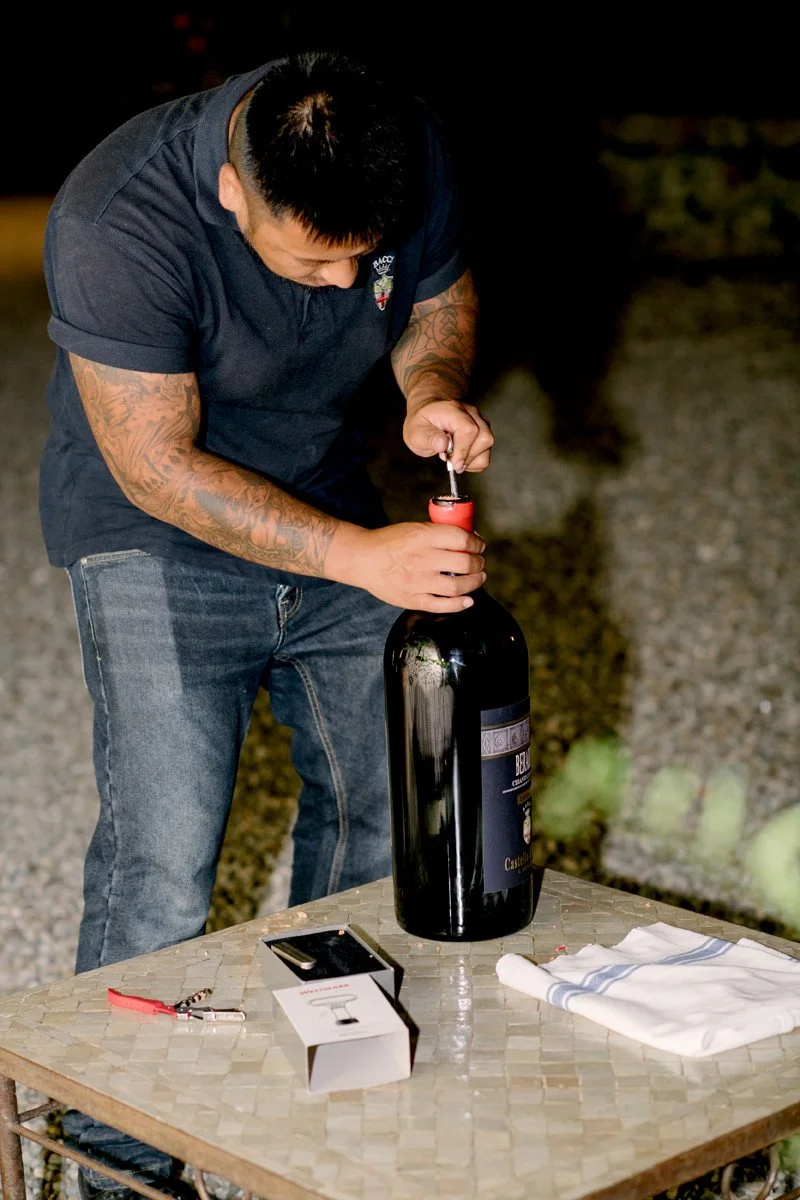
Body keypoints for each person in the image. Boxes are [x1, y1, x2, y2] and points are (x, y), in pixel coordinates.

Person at [40, 48, 491, 1199]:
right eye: (313, 259)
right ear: (235, 193)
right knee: (163, 856)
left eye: (359, 258)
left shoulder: (394, 140)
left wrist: (427, 387)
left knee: (380, 811)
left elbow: (433, 294)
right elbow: (157, 468)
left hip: (328, 497)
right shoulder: (115, 217)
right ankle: (112, 1166)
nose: (344, 288)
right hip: (156, 533)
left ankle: (313, 1115)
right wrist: (359, 557)